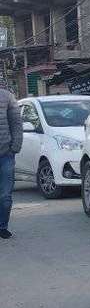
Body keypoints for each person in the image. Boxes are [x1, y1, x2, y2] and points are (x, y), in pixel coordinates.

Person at [0, 86, 23, 240]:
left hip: (5, 154)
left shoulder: (7, 96)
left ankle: (2, 226)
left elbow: (16, 123)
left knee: (5, 195)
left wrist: (15, 146)